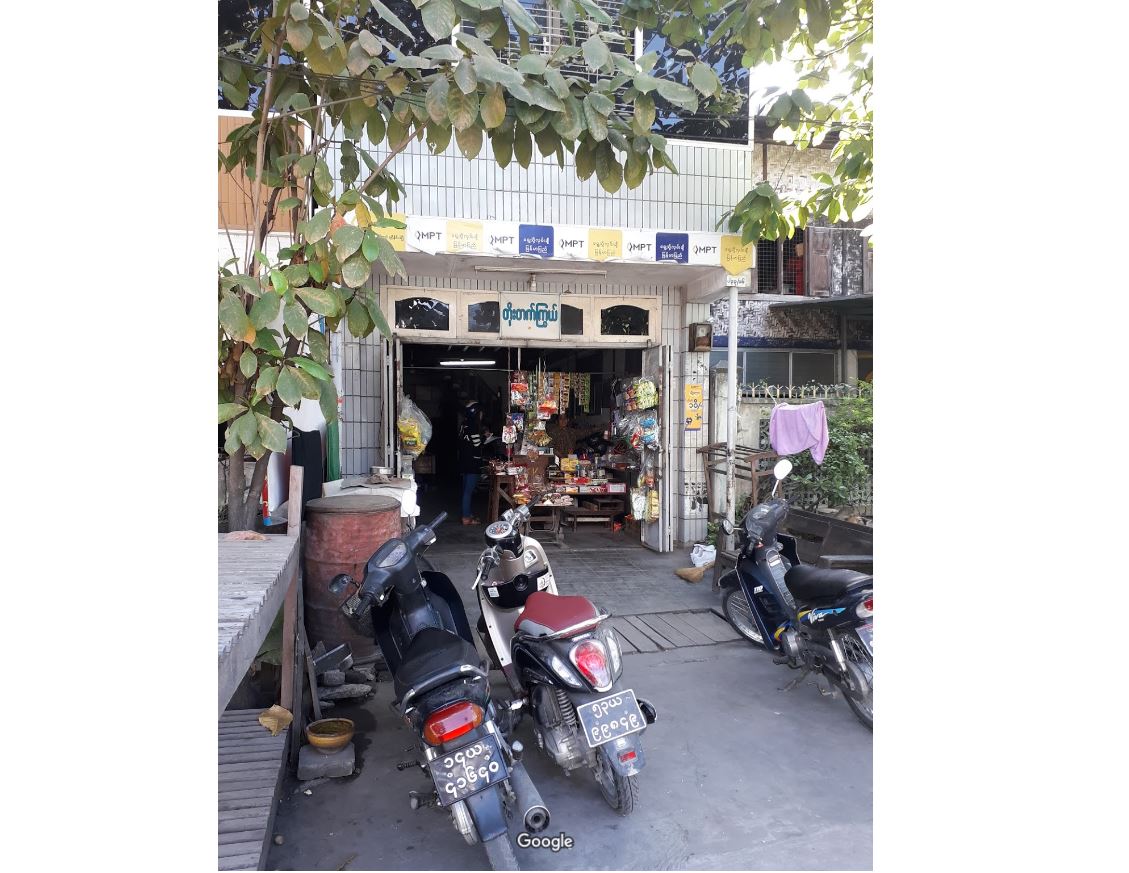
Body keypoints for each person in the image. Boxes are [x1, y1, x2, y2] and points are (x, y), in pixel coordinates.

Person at [457, 402, 485, 525]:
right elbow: (477, 444)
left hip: (464, 461)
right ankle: (466, 517)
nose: (482, 415)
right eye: (480, 412)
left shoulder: (464, 424)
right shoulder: (473, 425)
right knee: (468, 491)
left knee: (465, 490)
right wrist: (485, 437)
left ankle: (467, 513)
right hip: (472, 462)